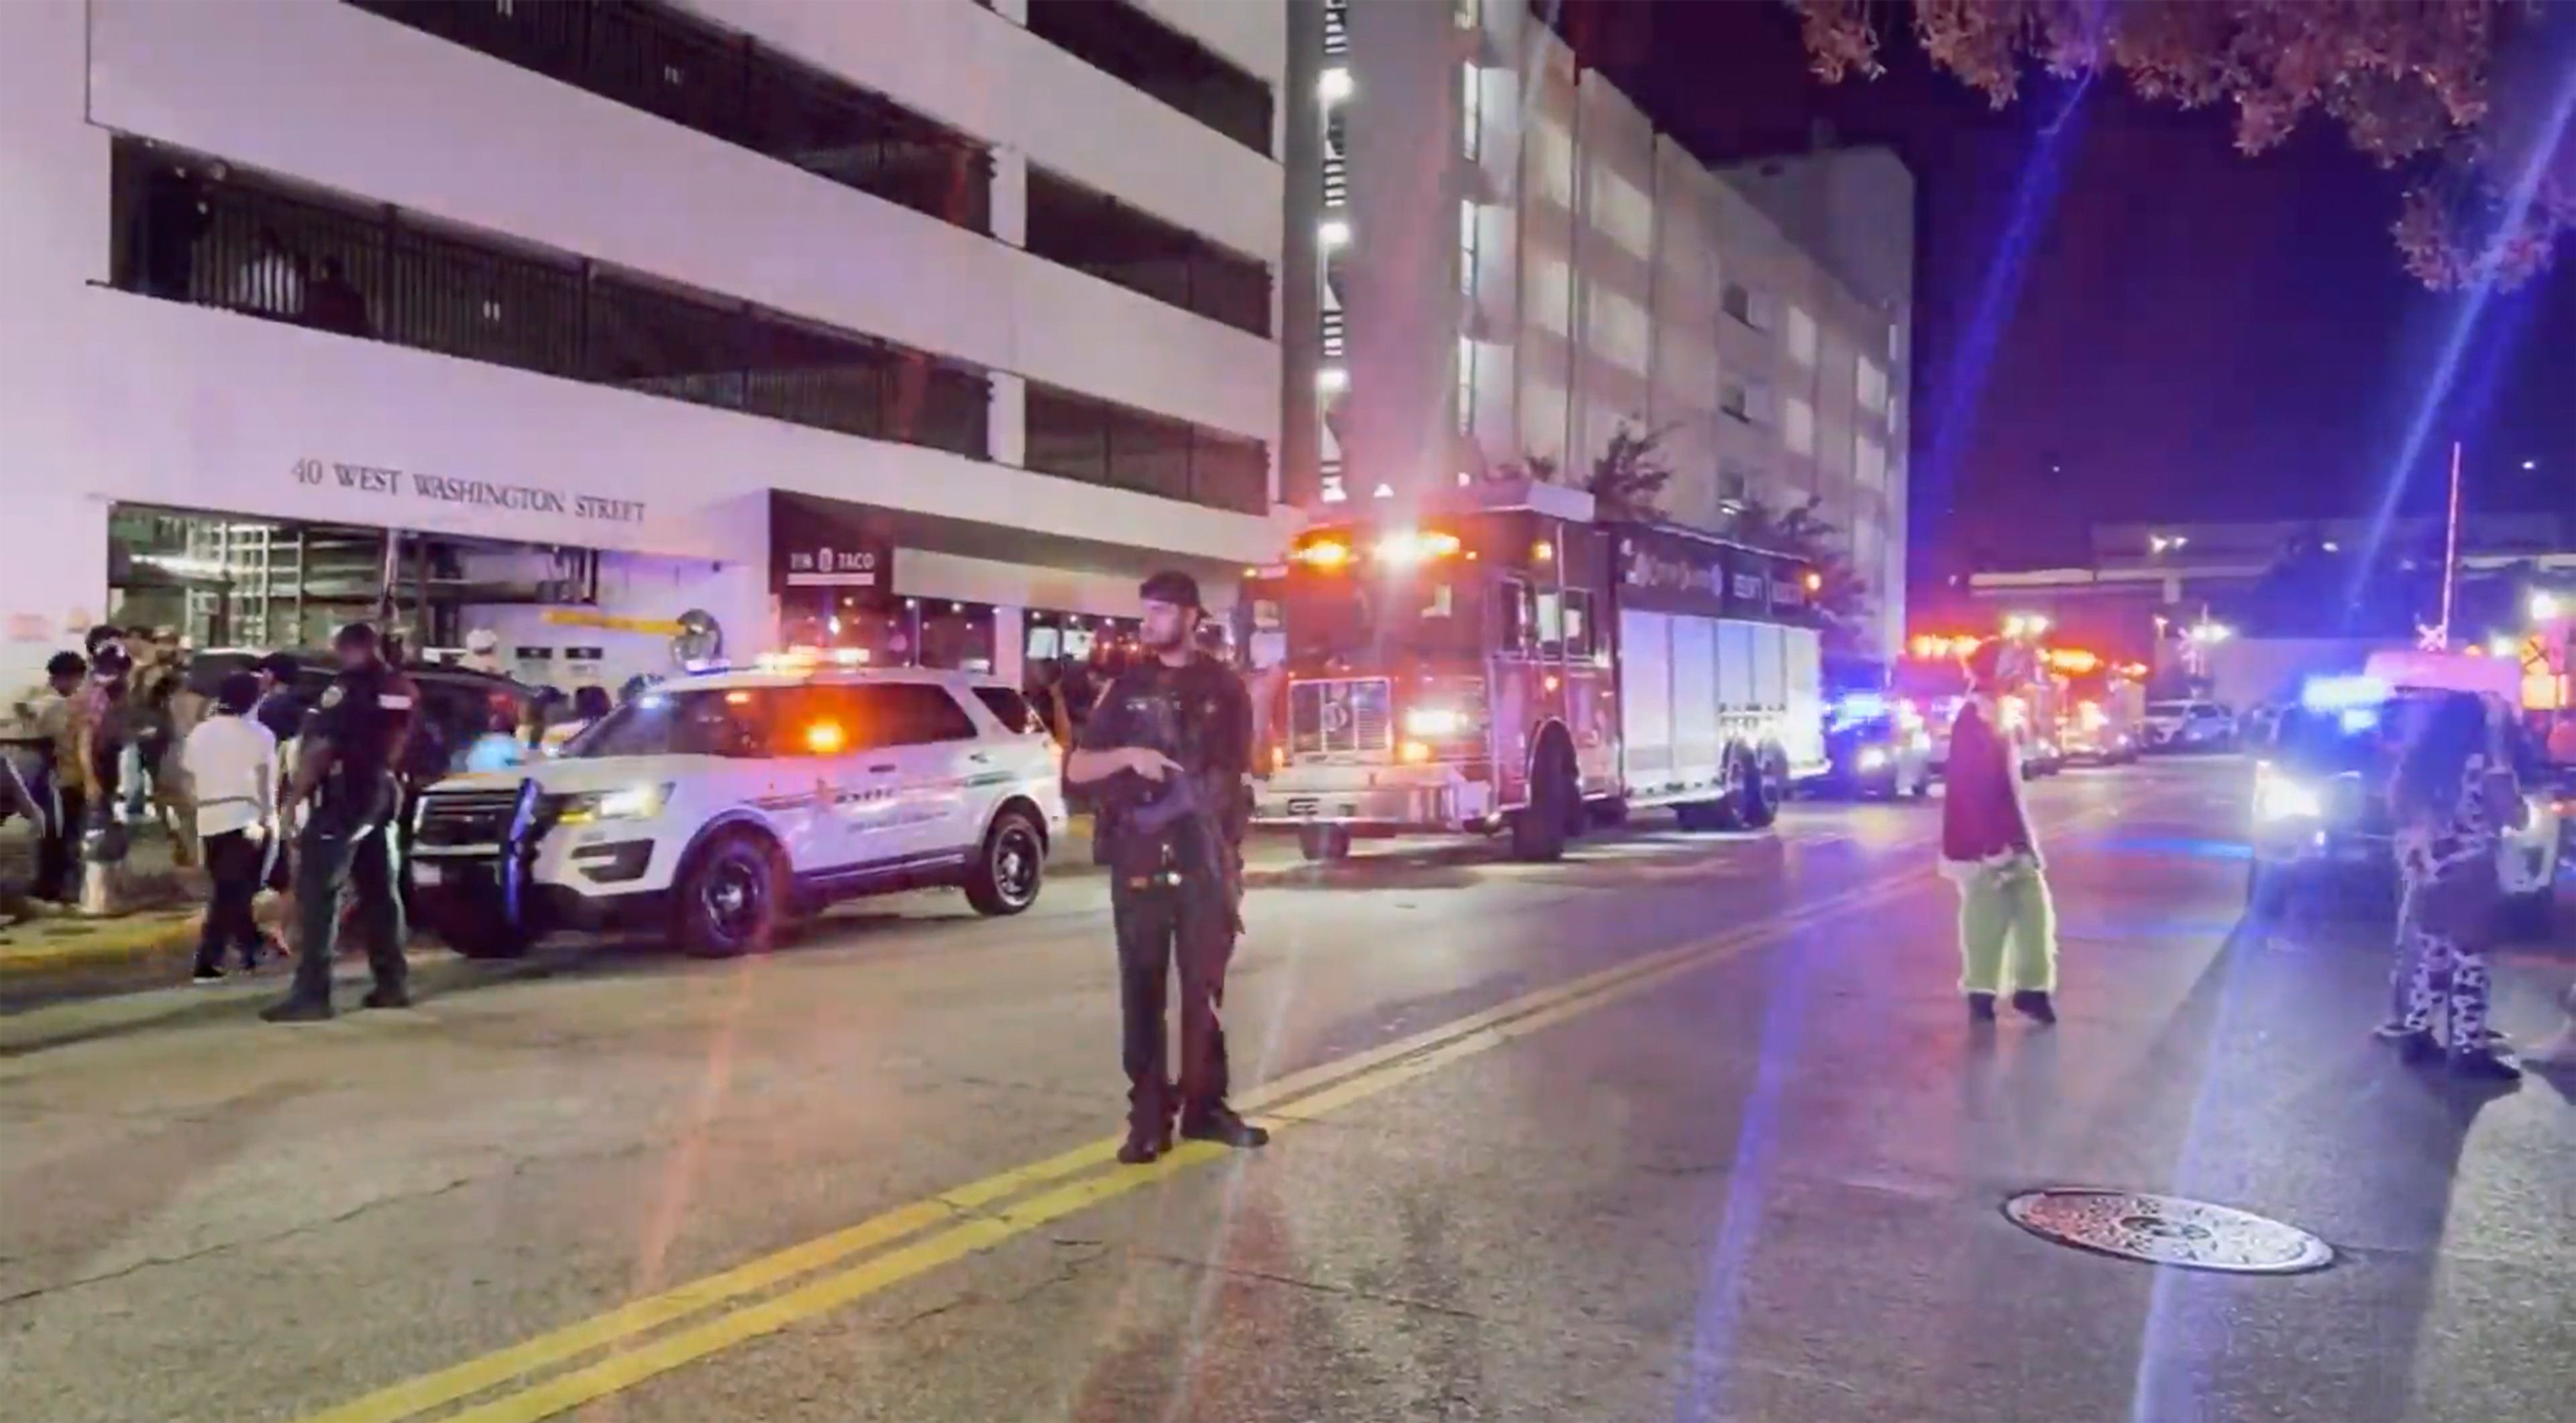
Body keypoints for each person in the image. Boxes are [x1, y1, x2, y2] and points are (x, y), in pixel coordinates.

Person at [1065, 570, 1267, 1164]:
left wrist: (1228, 856)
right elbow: (1078, 768)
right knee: (1143, 991)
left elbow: (1236, 774)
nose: (1147, 622)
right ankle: (1148, 1121)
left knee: (1202, 990)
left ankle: (1206, 1108)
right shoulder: (1127, 689)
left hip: (1203, 857)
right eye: (1145, 610)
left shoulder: (1222, 686)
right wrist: (1131, 755)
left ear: (1190, 617)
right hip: (1139, 856)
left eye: (1159, 611)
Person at [262, 623, 417, 1023]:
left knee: (319, 892)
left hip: (346, 795)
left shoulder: (347, 689)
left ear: (351, 648)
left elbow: (323, 746)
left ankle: (312, 994)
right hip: (383, 794)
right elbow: (403, 741)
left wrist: (293, 799)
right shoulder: (400, 686)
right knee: (381, 890)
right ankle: (392, 983)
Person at [2385, 692, 2524, 1081]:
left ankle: (2417, 1033)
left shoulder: (2417, 765)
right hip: (2471, 875)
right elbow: (2516, 816)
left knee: (2433, 960)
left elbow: (2397, 807)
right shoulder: (2483, 766)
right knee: (2471, 962)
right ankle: (2467, 1047)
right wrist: (2500, 753)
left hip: (2428, 874)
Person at [1939, 639, 2057, 1024]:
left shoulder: (1995, 714)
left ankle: (2029, 990)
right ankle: (1984, 993)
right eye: (2013, 669)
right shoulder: (1974, 718)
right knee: (1985, 919)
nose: (2019, 677)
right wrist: (1990, 846)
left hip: (2010, 837)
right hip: (1986, 843)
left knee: (2031, 913)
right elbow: (1971, 787)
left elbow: (2007, 785)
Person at [182, 672, 278, 982]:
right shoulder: (261, 735)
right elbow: (266, 785)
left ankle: (247, 948)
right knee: (233, 891)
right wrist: (271, 820)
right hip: (246, 818)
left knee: (230, 890)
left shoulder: (199, 733)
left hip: (209, 818)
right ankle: (218, 956)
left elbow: (188, 778)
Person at [16, 651, 89, 903]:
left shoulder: (38, 694)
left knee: (52, 833)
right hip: (61, 778)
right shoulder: (56, 702)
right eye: (77, 679)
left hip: (50, 775)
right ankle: (56, 888)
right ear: (65, 678)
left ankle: (48, 886)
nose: (79, 685)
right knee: (61, 834)